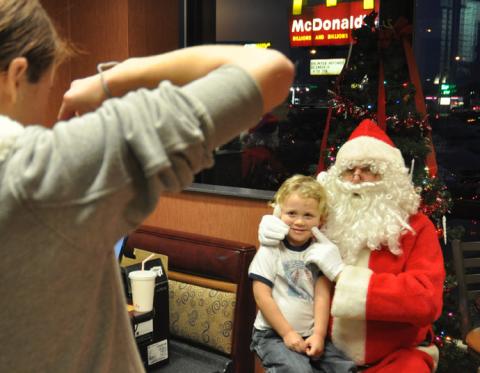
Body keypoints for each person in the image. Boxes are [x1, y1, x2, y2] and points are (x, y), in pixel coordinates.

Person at [0, 1, 294, 372]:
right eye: (44, 88)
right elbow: (269, 70)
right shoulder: (47, 170)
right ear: (16, 74)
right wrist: (115, 77)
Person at [258, 119, 445, 372]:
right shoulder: (327, 216)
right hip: (322, 349)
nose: (356, 177)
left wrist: (344, 276)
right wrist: (275, 225)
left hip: (395, 356)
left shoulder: (416, 227)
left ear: (389, 176)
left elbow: (426, 301)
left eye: (369, 167)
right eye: (348, 169)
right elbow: (296, 210)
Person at [249, 175, 356, 373]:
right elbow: (261, 296)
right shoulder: (271, 249)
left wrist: (318, 335)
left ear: (320, 219)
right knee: (298, 371)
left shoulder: (320, 252)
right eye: (291, 213)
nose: (299, 221)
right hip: (272, 335)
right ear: (279, 213)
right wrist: (288, 333)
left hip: (310, 334)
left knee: (346, 368)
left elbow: (322, 297)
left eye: (308, 215)